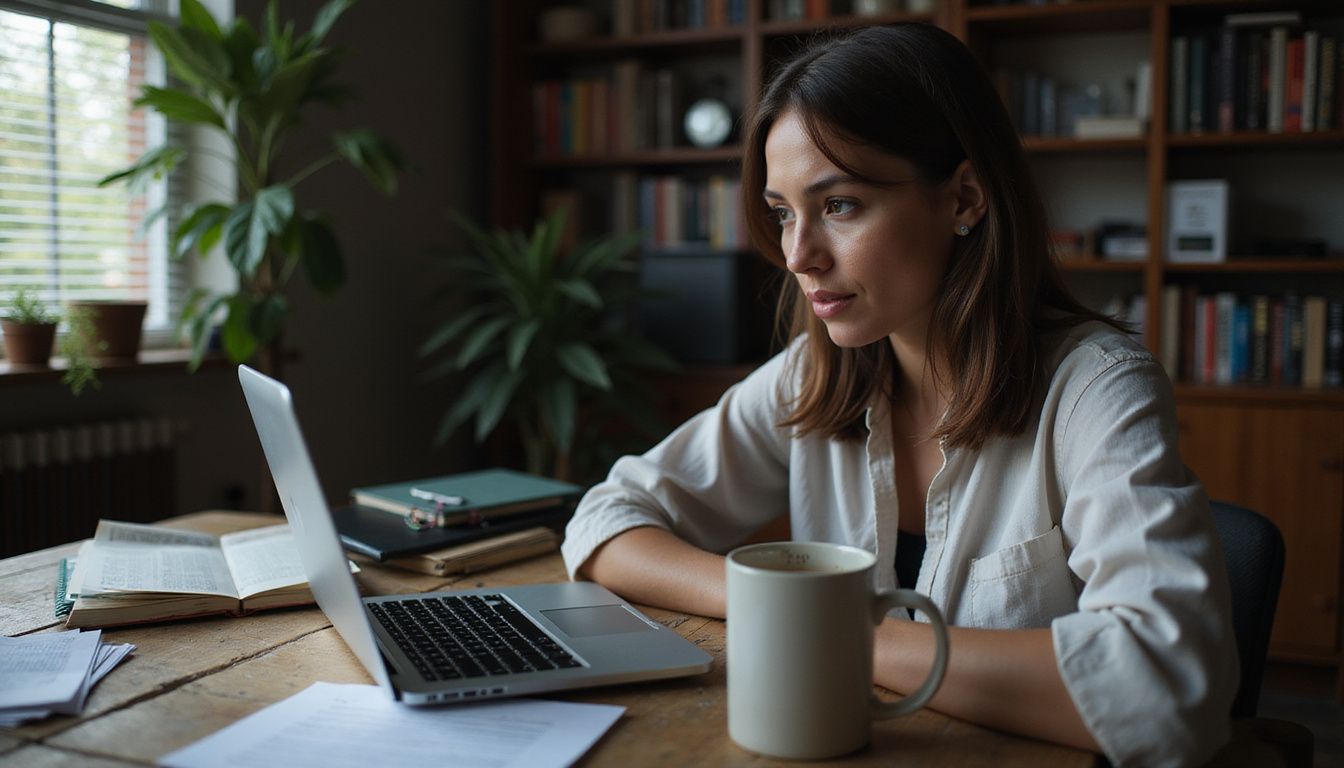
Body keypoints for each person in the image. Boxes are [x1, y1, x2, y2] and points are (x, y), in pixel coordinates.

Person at [561, 22, 1236, 768]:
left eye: (840, 204)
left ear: (965, 198)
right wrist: (782, 607)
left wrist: (840, 634)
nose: (798, 256)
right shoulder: (811, 374)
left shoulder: (1097, 389)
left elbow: (1169, 690)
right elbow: (605, 522)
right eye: (784, 212)